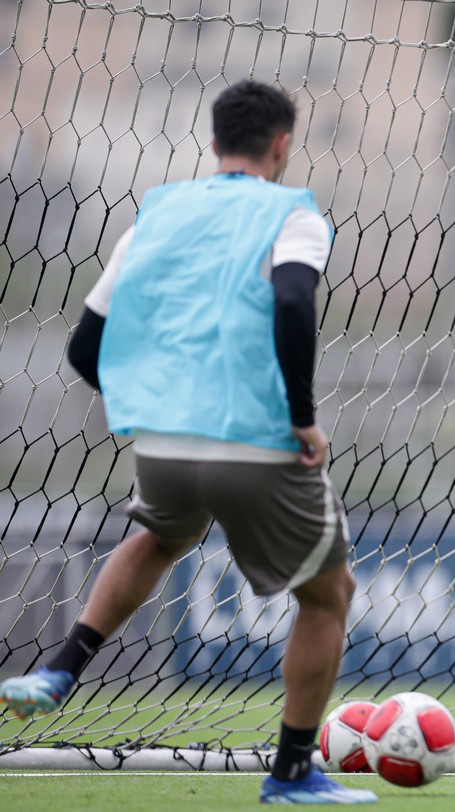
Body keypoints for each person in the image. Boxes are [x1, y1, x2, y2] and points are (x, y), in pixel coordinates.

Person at [0, 80, 376, 805]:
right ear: (282, 145)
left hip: (163, 442)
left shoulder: (156, 217)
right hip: (257, 442)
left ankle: (59, 669)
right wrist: (301, 417)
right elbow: (294, 304)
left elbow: (85, 347)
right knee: (329, 595)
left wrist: (156, 401)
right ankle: (293, 774)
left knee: (159, 534)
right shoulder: (292, 212)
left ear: (212, 145)